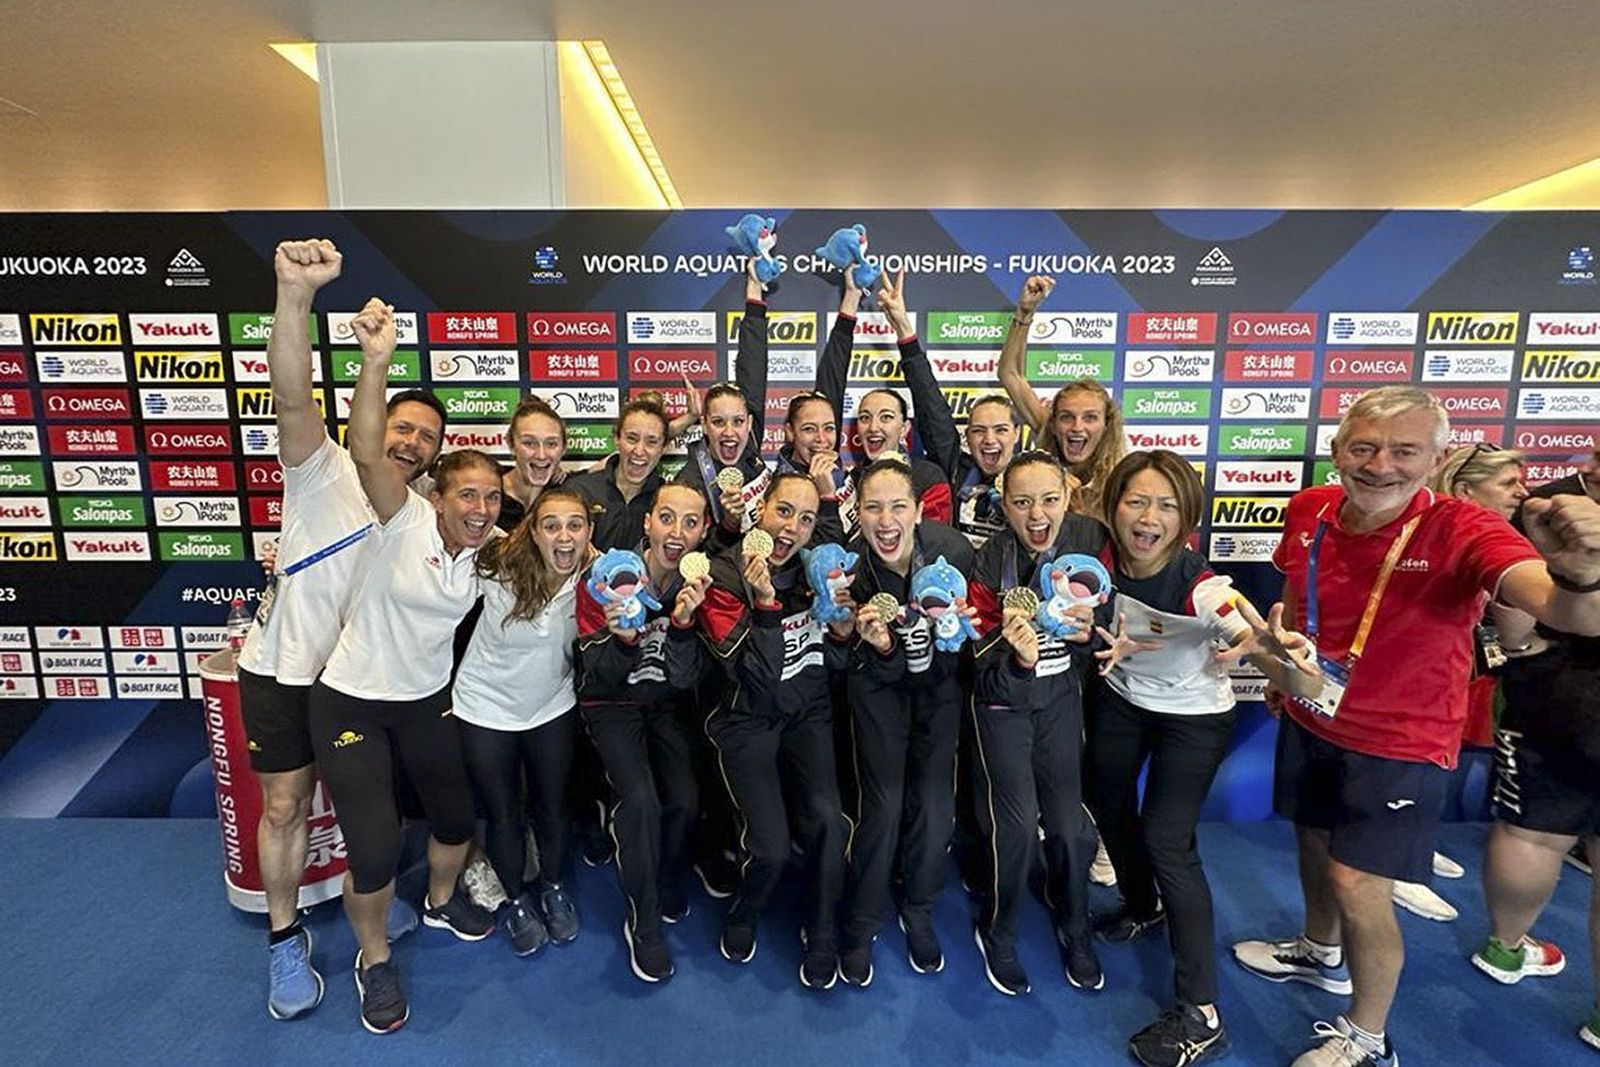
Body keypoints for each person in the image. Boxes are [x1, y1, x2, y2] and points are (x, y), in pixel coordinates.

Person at [1230, 386, 1600, 1067]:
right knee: (1313, 841)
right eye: (1363, 447)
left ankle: (1368, 1037)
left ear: (1434, 460)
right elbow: (1295, 591)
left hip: (1402, 739)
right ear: (1338, 450)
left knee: (1357, 881)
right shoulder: (1310, 507)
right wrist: (1286, 667)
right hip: (1314, 713)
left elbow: (1565, 612)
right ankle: (1320, 951)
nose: (1379, 465)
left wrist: (1578, 575)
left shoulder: (1464, 527)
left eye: (1403, 451)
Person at [237, 239, 442, 1021]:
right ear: (375, 418)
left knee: (374, 820)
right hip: (287, 669)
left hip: (363, 688)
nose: (411, 441)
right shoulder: (320, 464)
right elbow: (292, 394)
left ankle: (372, 932)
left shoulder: (422, 515)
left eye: (427, 438)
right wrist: (296, 295)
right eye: (402, 426)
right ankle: (285, 943)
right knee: (285, 808)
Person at [1086, 450, 1321, 1067]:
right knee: (1107, 805)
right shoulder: (1101, 557)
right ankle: (1142, 906)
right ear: (1114, 508)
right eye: (1136, 500)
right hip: (1121, 696)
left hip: (1194, 716)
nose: (1148, 517)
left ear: (1186, 517)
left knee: (1168, 838)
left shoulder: (1204, 588)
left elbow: (1265, 653)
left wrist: (1282, 661)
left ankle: (1202, 1011)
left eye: (1166, 505)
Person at [308, 302, 503, 1034]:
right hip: (351, 703)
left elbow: (560, 541)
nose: (479, 507)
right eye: (467, 494)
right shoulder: (401, 515)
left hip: (424, 703)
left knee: (455, 818)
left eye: (490, 496)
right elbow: (365, 451)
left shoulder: (488, 547)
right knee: (376, 843)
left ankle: (441, 898)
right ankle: (374, 957)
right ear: (438, 493)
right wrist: (377, 359)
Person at [695, 472, 856, 989]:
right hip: (746, 718)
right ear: (761, 509)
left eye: (806, 519)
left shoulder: (820, 572)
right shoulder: (723, 575)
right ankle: (745, 912)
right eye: (785, 511)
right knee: (771, 849)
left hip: (807, 715)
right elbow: (755, 675)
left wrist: (843, 632)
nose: (792, 528)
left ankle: (823, 928)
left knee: (832, 822)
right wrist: (764, 604)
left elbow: (833, 660)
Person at [1472, 441, 1600, 1055]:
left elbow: (1515, 629)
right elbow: (1512, 623)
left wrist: (1524, 651)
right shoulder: (1551, 510)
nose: (1591, 464)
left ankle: (1506, 945)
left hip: (1552, 689)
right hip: (1556, 694)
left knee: (1531, 834)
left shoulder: (1546, 514)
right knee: (1531, 837)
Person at [965, 450, 1107, 996]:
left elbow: (1113, 620)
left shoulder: (1089, 543)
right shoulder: (988, 562)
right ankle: (998, 930)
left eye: (1049, 499)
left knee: (1070, 827)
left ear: (1068, 498)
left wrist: (1090, 634)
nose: (1037, 514)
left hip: (1059, 703)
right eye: (1022, 502)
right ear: (1005, 505)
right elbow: (975, 661)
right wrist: (1017, 656)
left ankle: (1075, 923)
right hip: (1001, 708)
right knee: (1018, 827)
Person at [838, 457, 976, 985]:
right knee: (884, 807)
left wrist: (952, 639)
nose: (885, 520)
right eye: (872, 507)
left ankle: (919, 908)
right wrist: (884, 646)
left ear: (920, 511)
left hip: (939, 693)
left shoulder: (955, 553)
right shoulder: (847, 571)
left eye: (898, 506)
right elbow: (851, 662)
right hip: (878, 693)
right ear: (858, 512)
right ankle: (863, 921)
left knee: (936, 809)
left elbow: (962, 656)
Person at [576, 482, 712, 982]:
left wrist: (680, 625)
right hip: (610, 702)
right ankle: (645, 919)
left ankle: (664, 873)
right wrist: (626, 641)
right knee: (641, 803)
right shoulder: (605, 578)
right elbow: (596, 675)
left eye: (691, 522)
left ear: (702, 533)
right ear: (648, 522)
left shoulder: (700, 585)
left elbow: (683, 678)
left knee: (684, 800)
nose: (677, 532)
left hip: (664, 704)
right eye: (668, 518)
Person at [452, 488, 592, 958]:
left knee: (552, 806)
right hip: (484, 707)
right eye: (551, 525)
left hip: (551, 705)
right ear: (532, 532)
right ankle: (514, 900)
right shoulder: (497, 567)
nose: (564, 535)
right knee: (504, 812)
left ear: (589, 533)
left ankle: (551, 886)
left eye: (575, 524)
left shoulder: (597, 577)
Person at [815, 269, 953, 524]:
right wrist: (850, 302)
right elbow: (824, 399)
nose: (874, 426)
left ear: (905, 428)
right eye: (865, 417)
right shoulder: (850, 482)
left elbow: (932, 408)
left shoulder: (927, 477)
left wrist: (902, 326)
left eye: (886, 417)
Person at [997, 274, 1126, 518]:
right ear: (1054, 424)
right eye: (1067, 417)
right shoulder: (1048, 430)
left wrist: (1081, 509)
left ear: (1107, 424)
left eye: (1090, 418)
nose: (1077, 427)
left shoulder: (1123, 479)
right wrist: (1025, 314)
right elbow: (1010, 373)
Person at [675, 260, 773, 552]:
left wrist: (754, 290)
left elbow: (753, 367)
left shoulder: (750, 444)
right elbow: (693, 554)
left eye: (738, 422)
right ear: (704, 425)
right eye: (718, 422)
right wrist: (729, 526)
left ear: (750, 424)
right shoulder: (691, 479)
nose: (730, 432)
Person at [565, 396, 671, 551]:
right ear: (616, 439)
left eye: (651, 442)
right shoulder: (579, 491)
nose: (639, 451)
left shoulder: (667, 501)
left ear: (664, 447)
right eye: (632, 439)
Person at [498, 397, 567, 530]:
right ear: (511, 444)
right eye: (529, 443)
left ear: (563, 448)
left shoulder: (567, 492)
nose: (541, 455)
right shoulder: (488, 494)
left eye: (551, 444)